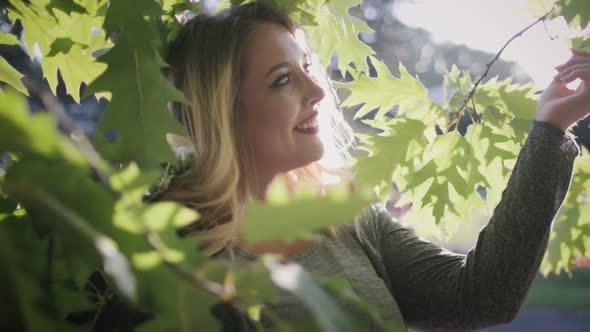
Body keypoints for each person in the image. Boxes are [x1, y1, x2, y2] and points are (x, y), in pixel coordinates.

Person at [160, 3, 589, 331]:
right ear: (223, 112)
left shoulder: (346, 216)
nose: (317, 92)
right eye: (282, 80)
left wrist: (549, 128)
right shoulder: (163, 254)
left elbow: (480, 296)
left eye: (308, 69)